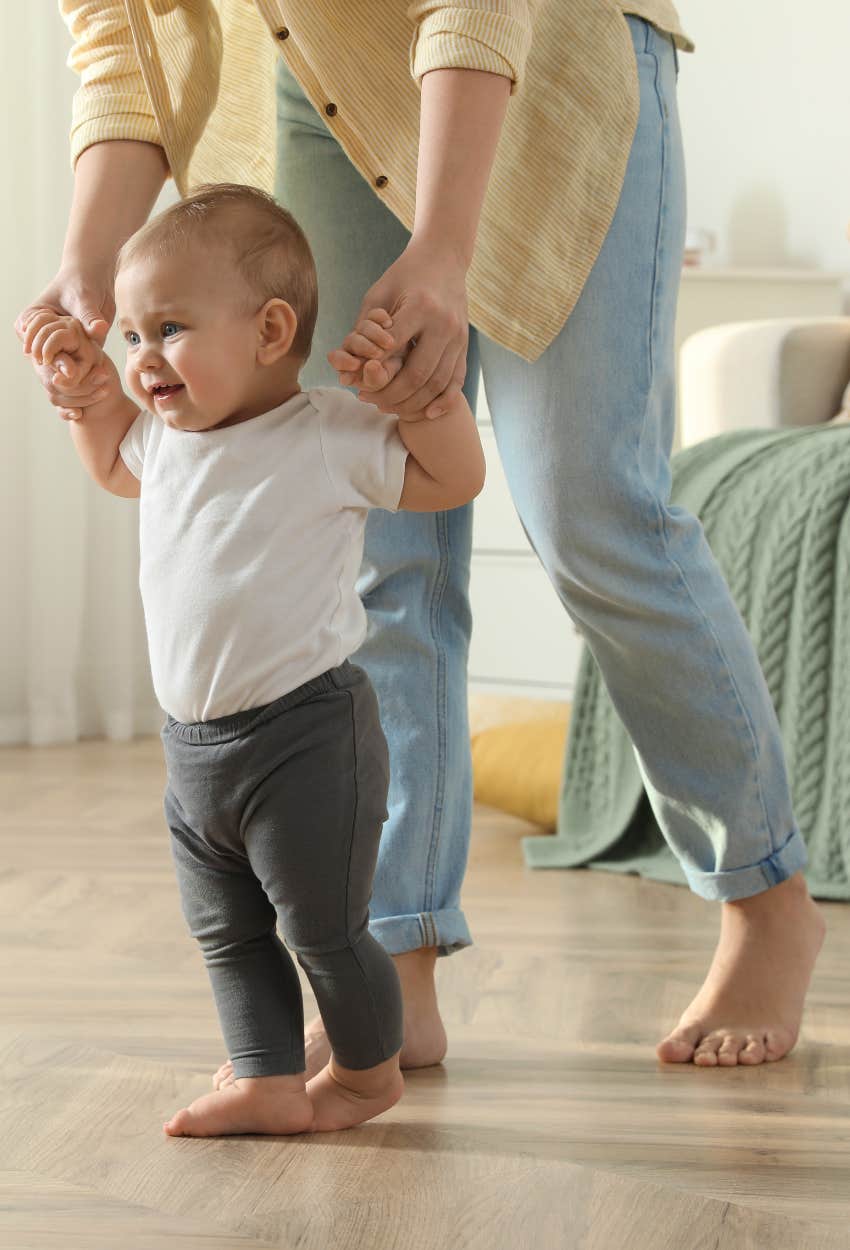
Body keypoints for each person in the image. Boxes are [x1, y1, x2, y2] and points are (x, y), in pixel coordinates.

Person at [17, 0, 825, 1074]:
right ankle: (393, 948)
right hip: (320, 91)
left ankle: (763, 892)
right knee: (373, 548)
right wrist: (87, 260)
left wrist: (445, 247)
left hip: (543, 53)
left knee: (594, 515)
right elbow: (121, 36)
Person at [20, 182, 485, 1137]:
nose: (144, 358)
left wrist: (426, 395)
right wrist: (86, 395)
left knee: (322, 929)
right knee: (225, 932)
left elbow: (451, 477)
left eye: (171, 329)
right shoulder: (163, 440)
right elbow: (113, 464)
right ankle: (268, 1078)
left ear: (272, 331)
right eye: (134, 337)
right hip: (193, 750)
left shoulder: (324, 433)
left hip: (306, 737)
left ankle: (365, 1072)